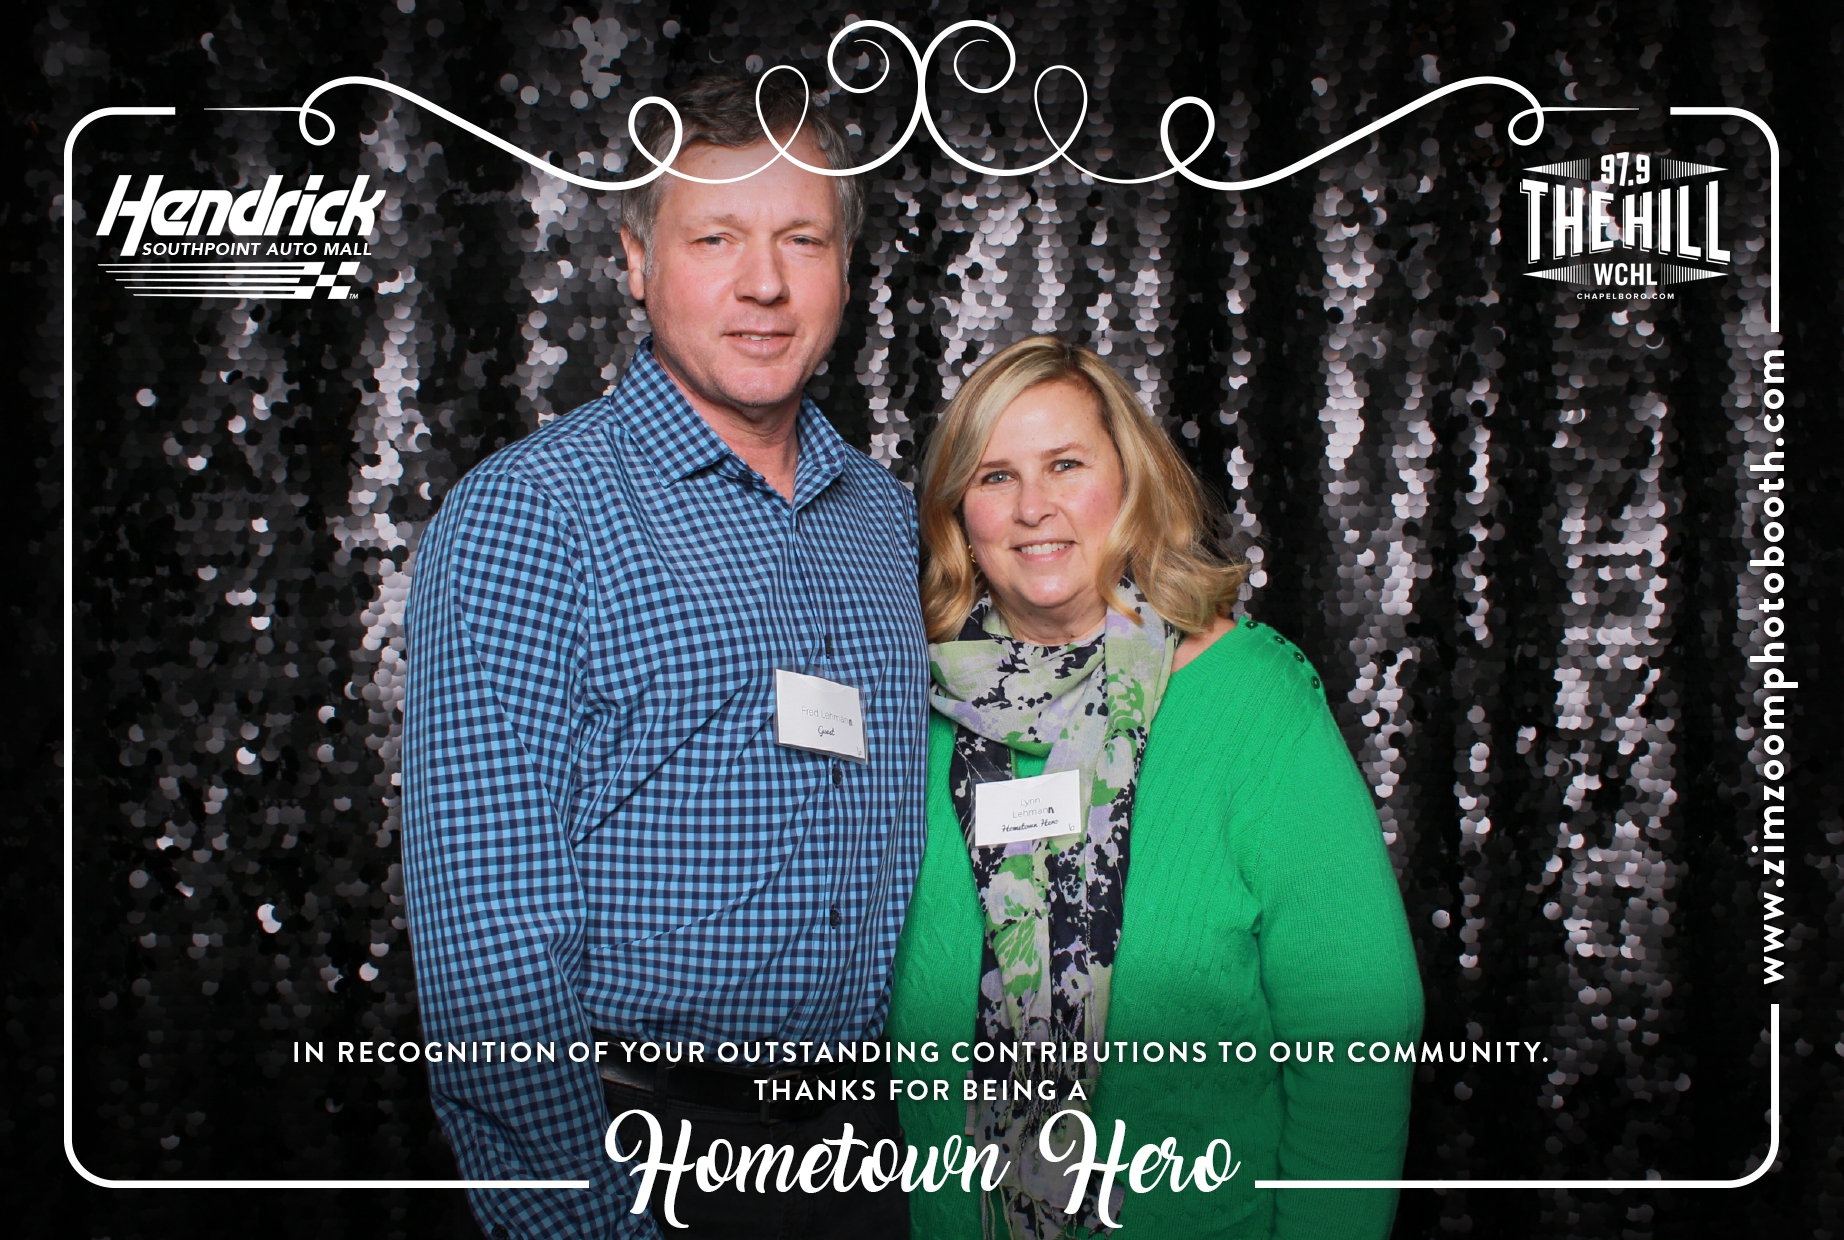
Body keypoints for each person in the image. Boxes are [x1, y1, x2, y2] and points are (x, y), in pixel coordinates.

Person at [402, 74, 925, 1240]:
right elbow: (491, 940)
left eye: (801, 238)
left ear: (846, 268)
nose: (764, 282)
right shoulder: (529, 517)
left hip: (863, 1153)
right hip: (638, 1148)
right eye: (715, 237)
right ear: (636, 261)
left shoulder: (884, 521)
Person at [886, 335, 1423, 1239]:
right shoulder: (912, 701)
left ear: (1131, 483)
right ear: (958, 516)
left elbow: (1359, 1029)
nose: (1034, 508)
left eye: (1066, 465)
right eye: (995, 476)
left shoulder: (1250, 700)